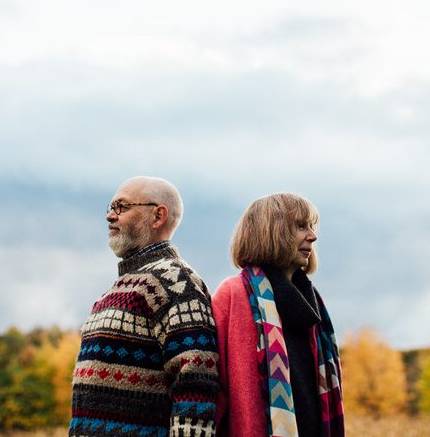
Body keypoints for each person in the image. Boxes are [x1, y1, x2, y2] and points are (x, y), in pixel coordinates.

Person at [69, 176, 219, 437]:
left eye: (122, 207)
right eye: (111, 207)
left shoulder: (176, 283)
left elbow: (196, 384)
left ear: (158, 216)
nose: (110, 216)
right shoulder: (117, 288)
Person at [212, 193, 344, 437]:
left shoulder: (313, 302)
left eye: (311, 227)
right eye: (301, 226)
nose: (312, 236)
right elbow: (214, 390)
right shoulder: (233, 295)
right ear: (272, 232)